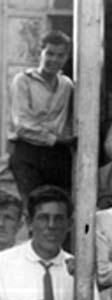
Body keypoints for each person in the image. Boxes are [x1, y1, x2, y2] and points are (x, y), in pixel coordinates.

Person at [8, 30, 74, 202]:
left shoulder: (67, 85)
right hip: (28, 152)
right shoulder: (23, 81)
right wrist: (55, 139)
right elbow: (22, 125)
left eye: (60, 55)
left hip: (58, 155)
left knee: (59, 203)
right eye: (50, 53)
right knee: (33, 203)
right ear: (40, 52)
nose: (54, 60)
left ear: (66, 58)